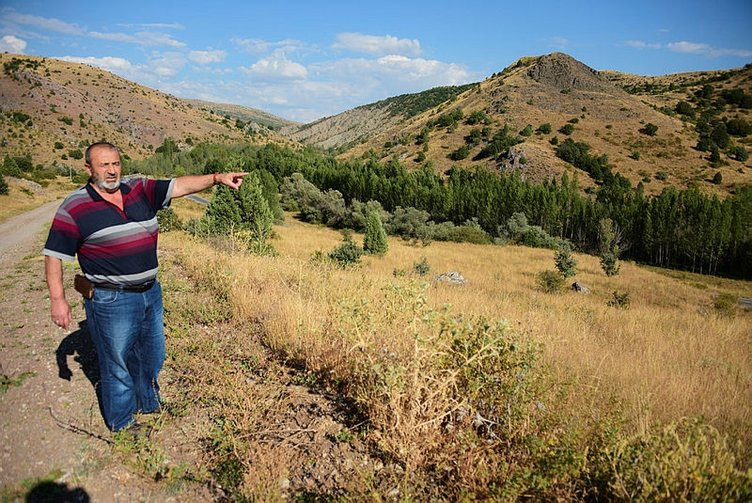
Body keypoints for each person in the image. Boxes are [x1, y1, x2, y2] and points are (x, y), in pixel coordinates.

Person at [43, 141, 247, 432]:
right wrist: (57, 299)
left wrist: (216, 178)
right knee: (117, 364)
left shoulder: (138, 189)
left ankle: (148, 403)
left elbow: (179, 186)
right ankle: (122, 422)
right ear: (88, 168)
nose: (112, 171)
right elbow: (55, 255)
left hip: (150, 292)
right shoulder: (75, 206)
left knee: (152, 354)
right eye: (104, 165)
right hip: (110, 299)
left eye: (116, 164)